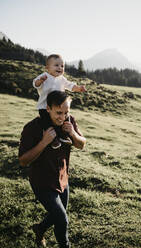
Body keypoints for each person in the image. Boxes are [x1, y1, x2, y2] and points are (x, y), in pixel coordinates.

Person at [18, 90, 86, 248]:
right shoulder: (32, 128)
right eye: (58, 113)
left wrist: (73, 134)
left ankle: (40, 228)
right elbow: (23, 161)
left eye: (66, 112)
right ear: (48, 108)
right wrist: (43, 142)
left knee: (57, 215)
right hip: (42, 182)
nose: (62, 117)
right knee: (62, 219)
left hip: (63, 179)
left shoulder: (69, 121)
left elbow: (81, 144)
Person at [33, 54, 86, 149]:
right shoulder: (44, 76)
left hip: (60, 107)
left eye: (62, 66)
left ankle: (64, 136)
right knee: (47, 123)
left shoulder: (62, 79)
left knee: (66, 119)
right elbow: (35, 84)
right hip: (45, 106)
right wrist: (40, 81)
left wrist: (78, 88)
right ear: (47, 67)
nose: (60, 68)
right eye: (56, 65)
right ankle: (54, 140)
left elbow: (70, 86)